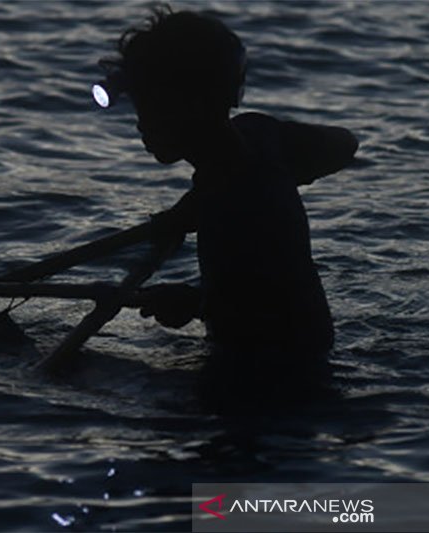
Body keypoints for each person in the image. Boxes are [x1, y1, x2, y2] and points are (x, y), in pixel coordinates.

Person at [94, 8, 358, 407]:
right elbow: (344, 144)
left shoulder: (239, 193)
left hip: (271, 378)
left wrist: (195, 303)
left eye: (152, 106)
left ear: (194, 102)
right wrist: (192, 209)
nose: (141, 124)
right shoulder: (259, 141)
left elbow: (262, 297)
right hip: (304, 361)